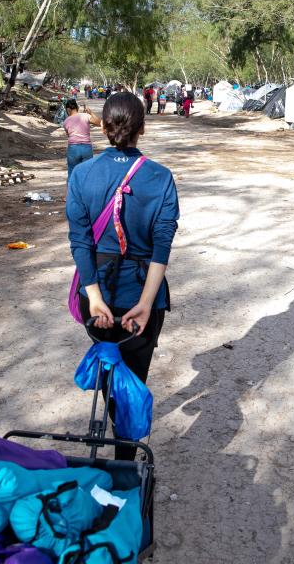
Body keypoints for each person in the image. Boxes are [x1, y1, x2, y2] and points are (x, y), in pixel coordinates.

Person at [67, 91, 180, 460]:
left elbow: (80, 242)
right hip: (142, 295)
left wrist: (96, 298)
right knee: (136, 371)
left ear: (102, 127)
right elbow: (162, 246)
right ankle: (125, 458)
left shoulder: (82, 174)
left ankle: (115, 442)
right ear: (142, 129)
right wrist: (146, 304)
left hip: (96, 293)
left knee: (110, 366)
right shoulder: (160, 178)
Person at [63, 99, 102, 180]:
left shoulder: (66, 121)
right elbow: (99, 123)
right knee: (87, 173)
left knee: (72, 172)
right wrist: (91, 113)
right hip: (86, 148)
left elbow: (68, 135)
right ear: (77, 107)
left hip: (73, 149)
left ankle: (72, 191)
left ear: (68, 109)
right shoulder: (85, 116)